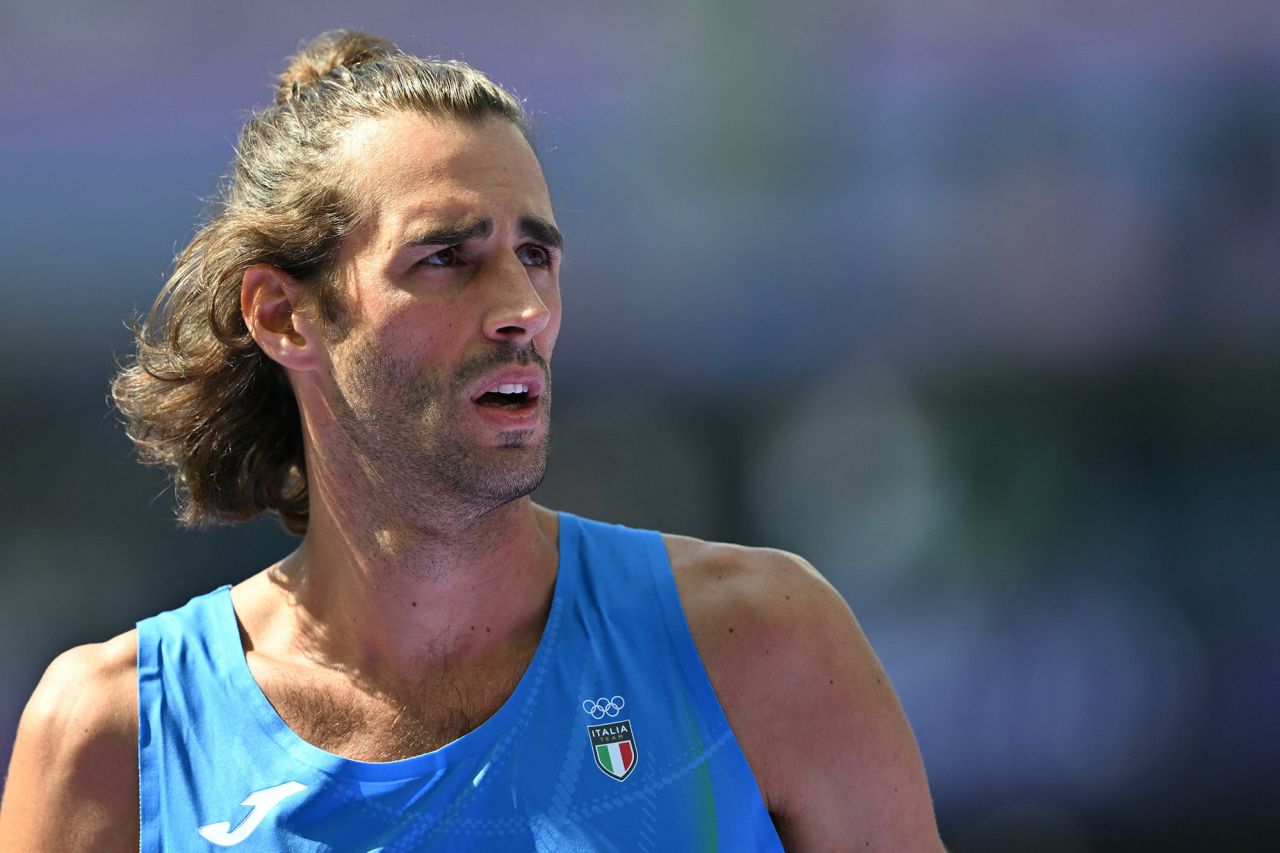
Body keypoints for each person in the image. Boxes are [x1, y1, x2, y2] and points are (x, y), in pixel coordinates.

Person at [0, 31, 943, 851]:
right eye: (446, 258)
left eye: (536, 254)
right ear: (285, 316)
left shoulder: (764, 645)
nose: (523, 310)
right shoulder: (112, 739)